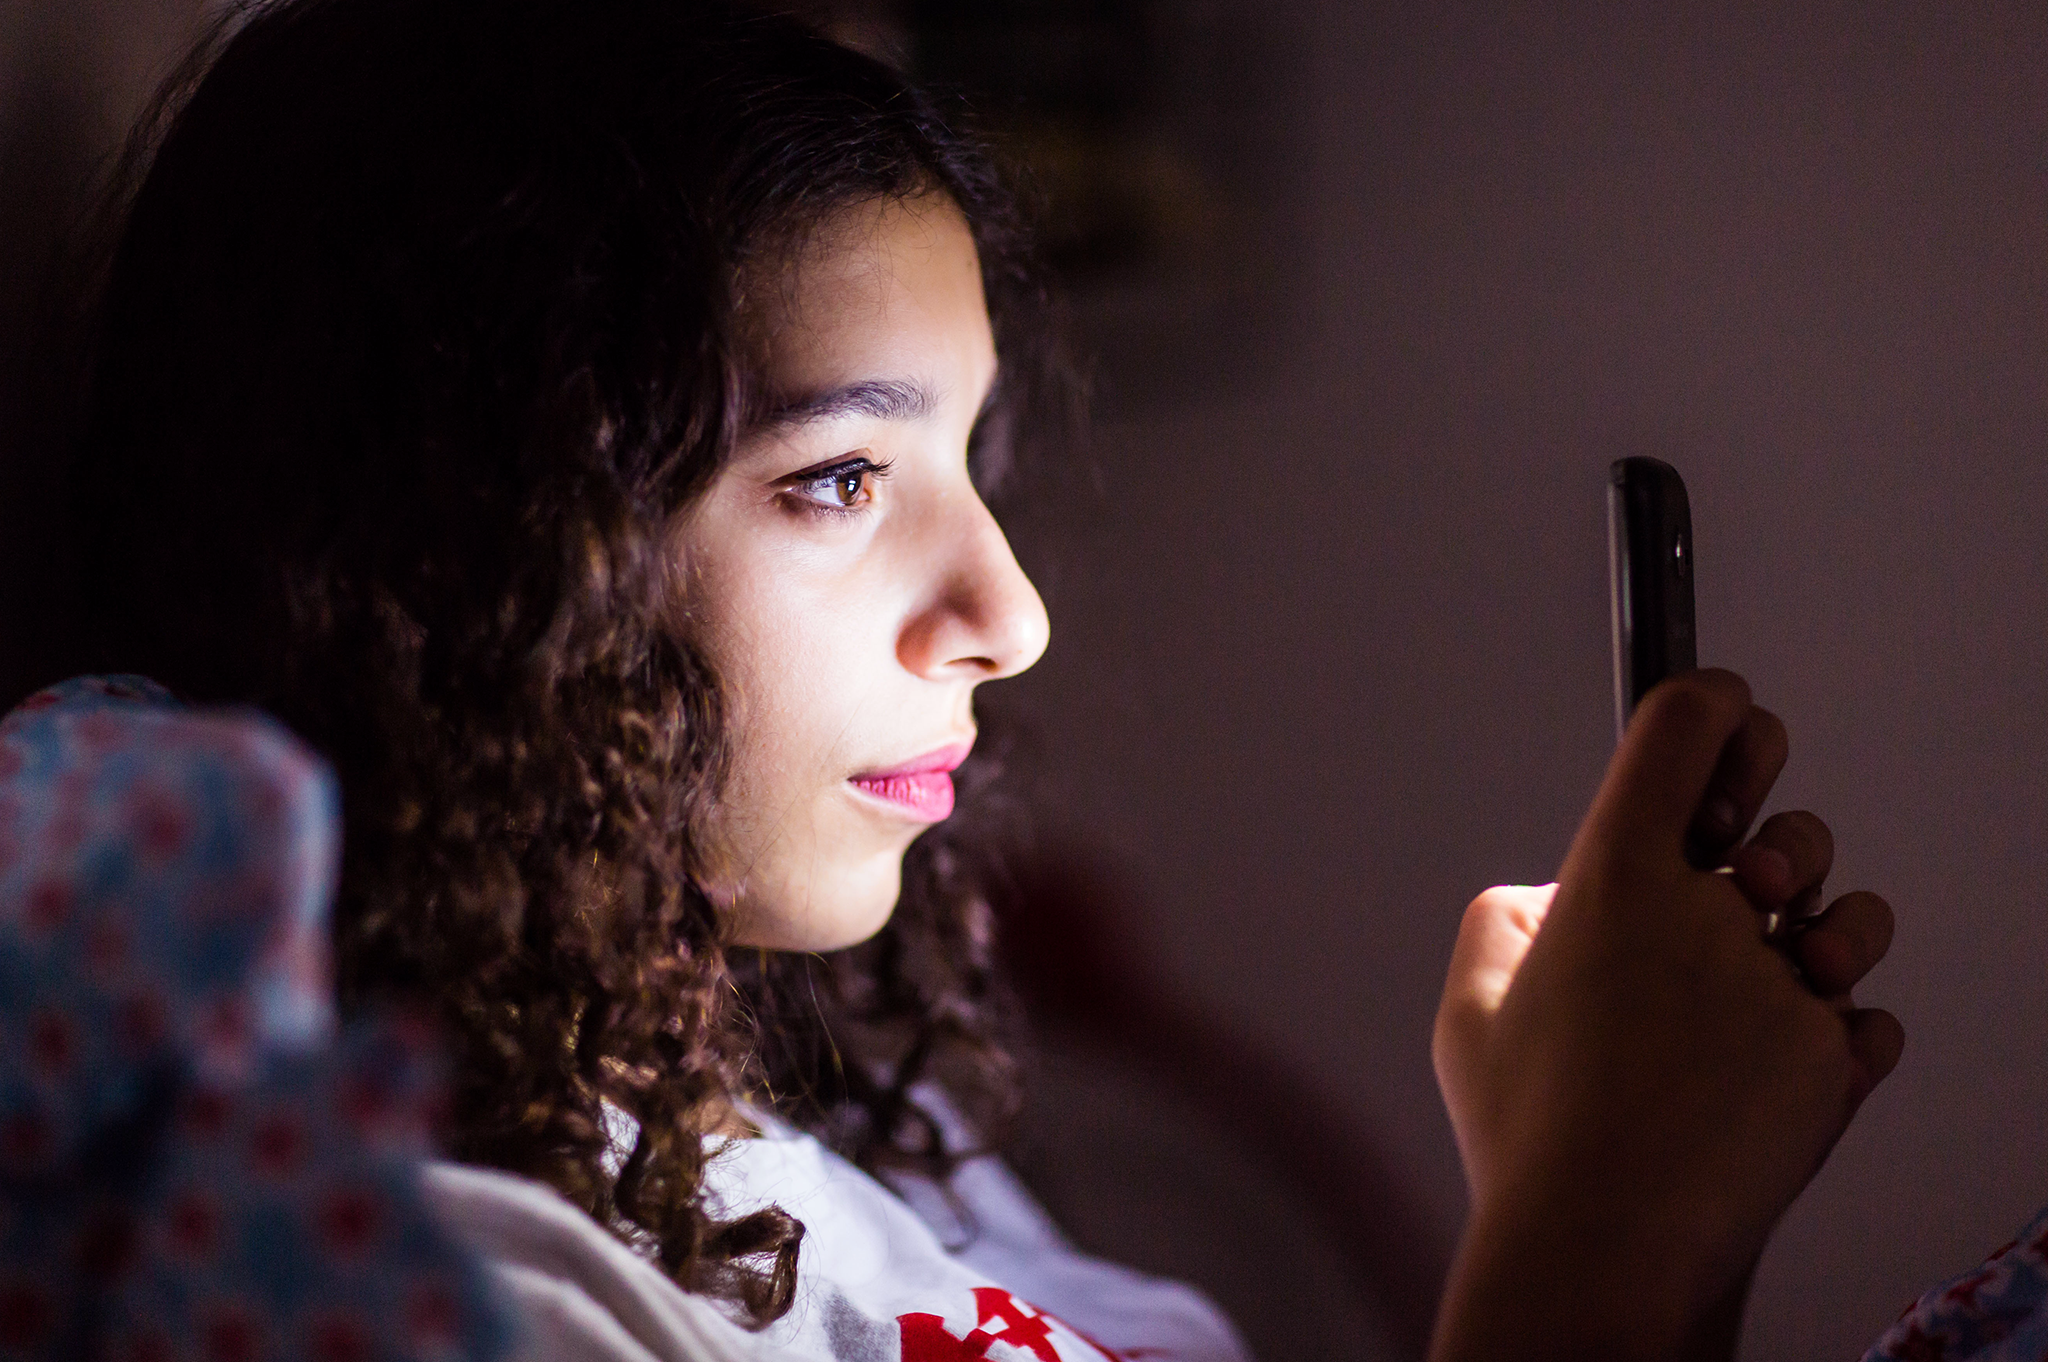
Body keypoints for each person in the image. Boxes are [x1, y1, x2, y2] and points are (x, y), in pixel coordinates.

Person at [57, 0, 1912, 1358]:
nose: (1009, 614)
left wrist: (1640, 1209)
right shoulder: (389, 1266)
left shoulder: (817, 1132)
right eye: (841, 479)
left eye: (973, 461)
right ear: (463, 548)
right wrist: (1597, 1216)